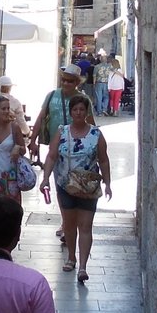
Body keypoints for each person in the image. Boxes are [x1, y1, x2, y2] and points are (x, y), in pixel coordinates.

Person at [41, 94, 112, 283]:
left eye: (82, 109)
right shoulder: (62, 132)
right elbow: (52, 155)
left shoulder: (96, 134)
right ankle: (71, 257)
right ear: (71, 112)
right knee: (70, 224)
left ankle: (83, 267)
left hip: (88, 187)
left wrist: (108, 183)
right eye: (75, 109)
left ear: (86, 112)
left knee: (86, 226)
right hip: (66, 185)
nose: (78, 113)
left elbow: (103, 159)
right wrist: (46, 178)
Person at [28, 64, 95, 162]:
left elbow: (91, 124)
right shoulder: (51, 95)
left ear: (77, 82)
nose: (65, 83)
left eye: (70, 81)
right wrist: (33, 141)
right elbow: (41, 118)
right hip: (54, 146)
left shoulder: (83, 99)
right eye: (63, 80)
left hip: (76, 147)